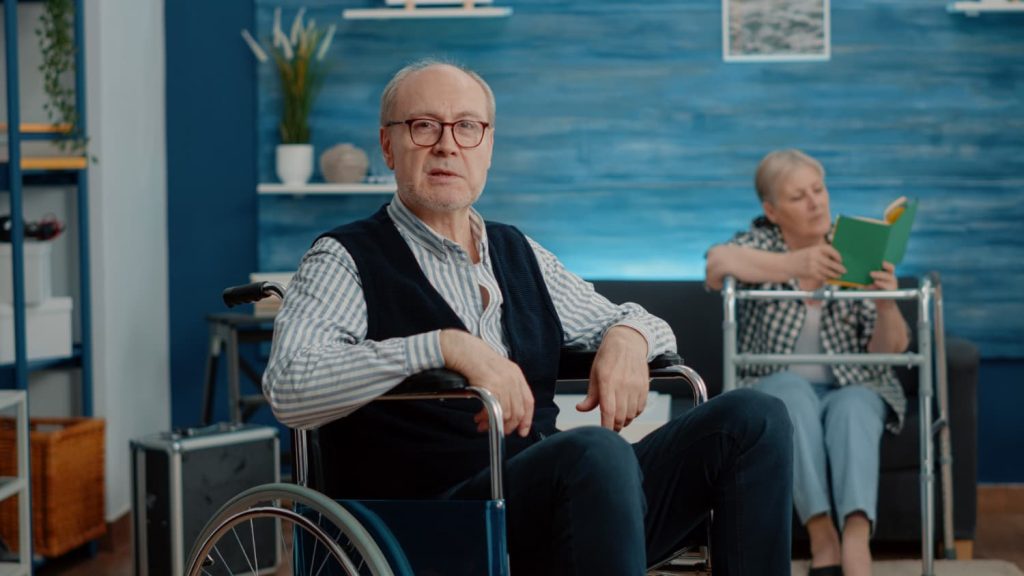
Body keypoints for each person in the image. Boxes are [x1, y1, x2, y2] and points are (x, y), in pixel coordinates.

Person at [264, 58, 794, 575]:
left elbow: (632, 317)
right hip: (430, 522)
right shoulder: (344, 257)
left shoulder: (517, 251)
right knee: (595, 451)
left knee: (754, 418)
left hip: (555, 501)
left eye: (467, 127)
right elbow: (289, 384)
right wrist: (447, 346)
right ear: (388, 146)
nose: (447, 143)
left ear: (488, 146)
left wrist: (628, 339)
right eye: (424, 126)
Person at [705, 149, 911, 576]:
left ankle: (856, 539)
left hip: (853, 385)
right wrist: (794, 264)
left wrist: (887, 304)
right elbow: (716, 265)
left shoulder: (853, 245)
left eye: (819, 189)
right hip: (774, 385)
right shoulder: (759, 242)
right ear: (772, 210)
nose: (816, 202)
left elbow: (886, 353)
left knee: (855, 405)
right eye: (799, 196)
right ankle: (823, 537)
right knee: (789, 395)